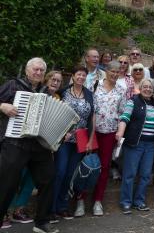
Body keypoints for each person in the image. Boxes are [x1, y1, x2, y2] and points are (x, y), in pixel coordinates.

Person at [0, 58, 58, 233]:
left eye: (42, 70)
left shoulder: (46, 92)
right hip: (15, 142)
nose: (39, 73)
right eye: (36, 69)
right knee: (7, 184)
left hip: (39, 145)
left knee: (48, 179)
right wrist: (2, 105)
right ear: (27, 70)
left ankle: (41, 222)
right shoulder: (12, 85)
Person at [82, 61, 126, 217]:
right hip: (91, 132)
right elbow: (86, 107)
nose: (114, 74)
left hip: (109, 132)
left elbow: (122, 113)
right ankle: (80, 199)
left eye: (117, 72)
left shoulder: (121, 90)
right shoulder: (94, 85)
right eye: (112, 71)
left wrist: (120, 132)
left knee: (104, 167)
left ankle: (98, 201)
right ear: (106, 71)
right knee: (86, 164)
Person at [52, 65, 95, 221]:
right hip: (64, 139)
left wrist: (90, 140)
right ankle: (51, 208)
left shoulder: (89, 94)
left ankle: (62, 207)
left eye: (84, 75)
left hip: (81, 140)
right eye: (79, 74)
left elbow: (92, 118)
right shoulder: (63, 92)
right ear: (73, 76)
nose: (81, 77)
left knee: (70, 174)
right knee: (60, 172)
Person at [116, 79, 154, 213]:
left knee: (146, 175)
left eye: (150, 87)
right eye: (145, 87)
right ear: (140, 88)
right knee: (130, 174)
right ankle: (126, 202)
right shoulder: (133, 101)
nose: (148, 89)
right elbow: (125, 117)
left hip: (151, 145)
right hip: (135, 143)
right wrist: (120, 131)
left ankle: (139, 201)